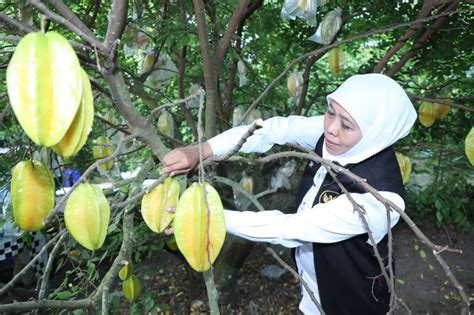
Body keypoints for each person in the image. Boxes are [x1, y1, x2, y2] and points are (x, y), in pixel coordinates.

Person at [161, 73, 417, 314]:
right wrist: (203, 150)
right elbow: (273, 130)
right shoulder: (333, 132)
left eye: (346, 125)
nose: (331, 128)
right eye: (330, 112)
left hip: (352, 302)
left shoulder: (381, 199)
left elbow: (290, 228)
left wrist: (206, 216)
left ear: (376, 133)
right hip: (312, 288)